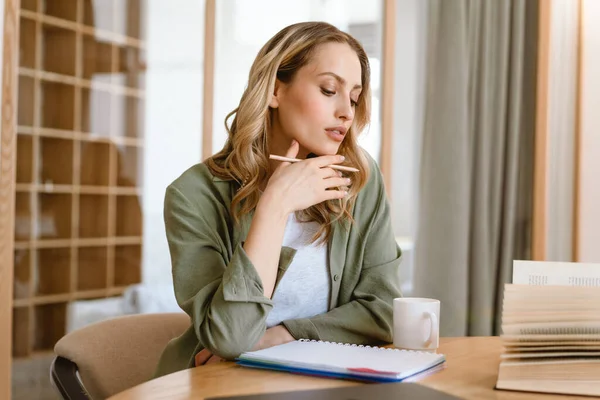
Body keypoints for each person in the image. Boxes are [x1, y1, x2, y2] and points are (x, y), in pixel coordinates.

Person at [154, 21, 402, 377]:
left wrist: (283, 336)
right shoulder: (193, 195)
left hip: (324, 383)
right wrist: (275, 206)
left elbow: (384, 311)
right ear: (274, 90)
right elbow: (230, 337)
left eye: (354, 97)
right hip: (216, 382)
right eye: (329, 89)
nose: (347, 112)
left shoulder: (360, 179)